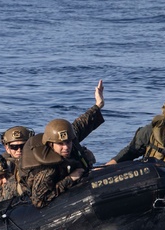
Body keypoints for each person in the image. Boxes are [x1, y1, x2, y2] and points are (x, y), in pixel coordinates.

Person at [18, 80, 105, 208]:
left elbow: (81, 125)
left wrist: (98, 105)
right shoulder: (47, 170)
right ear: (51, 144)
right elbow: (39, 201)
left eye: (68, 142)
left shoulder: (69, 140)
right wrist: (70, 179)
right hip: (21, 190)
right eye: (60, 144)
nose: (66, 147)